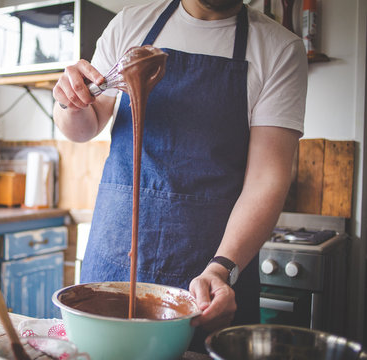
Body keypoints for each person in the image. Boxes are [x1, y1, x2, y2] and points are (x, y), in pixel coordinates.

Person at [52, 0, 307, 352]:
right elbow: (83, 127)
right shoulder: (131, 24)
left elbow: (268, 178)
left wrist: (221, 269)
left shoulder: (279, 49)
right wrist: (69, 101)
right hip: (114, 261)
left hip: (207, 273)